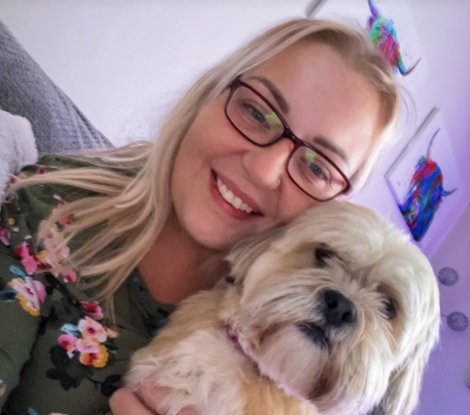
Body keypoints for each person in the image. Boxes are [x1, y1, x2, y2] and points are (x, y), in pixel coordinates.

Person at [0, 18, 400, 415]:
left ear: (335, 206)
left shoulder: (309, 366)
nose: (264, 170)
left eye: (317, 167)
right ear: (210, 91)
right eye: (257, 113)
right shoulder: (51, 210)